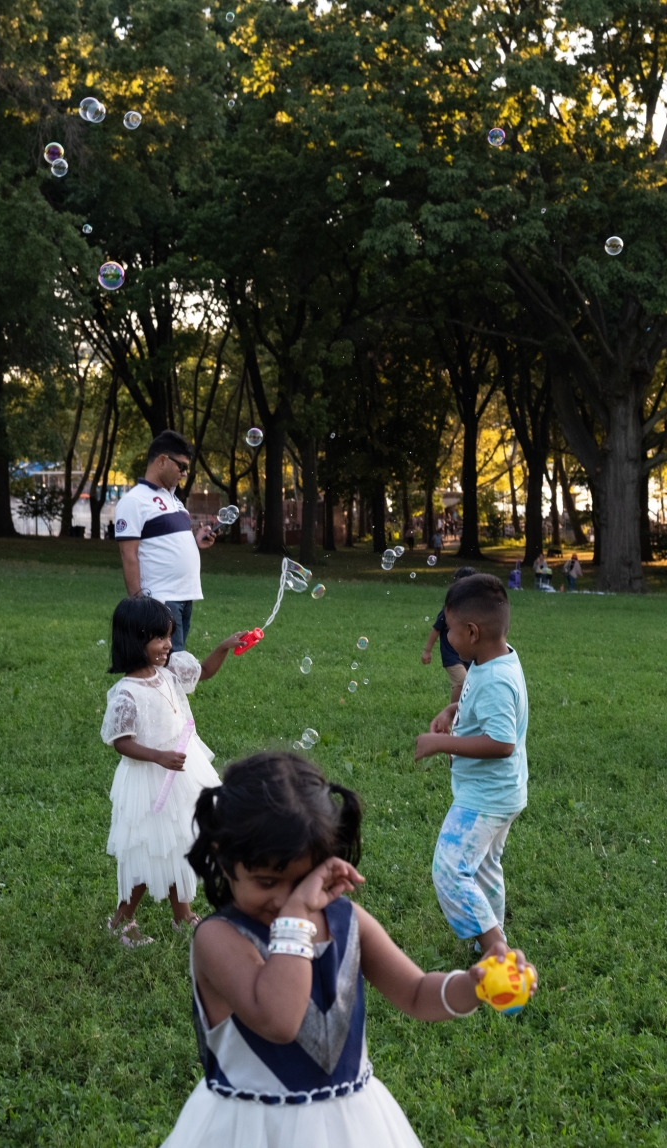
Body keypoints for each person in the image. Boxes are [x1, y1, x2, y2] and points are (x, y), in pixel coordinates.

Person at [164, 753, 535, 1145]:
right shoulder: (218, 938)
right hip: (250, 1129)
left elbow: (416, 992)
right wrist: (297, 917)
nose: (287, 898)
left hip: (353, 1126)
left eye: (303, 879)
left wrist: (472, 986)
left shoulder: (347, 920)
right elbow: (278, 1019)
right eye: (267, 882)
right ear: (223, 858)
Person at [102, 596, 242, 946]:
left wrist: (224, 647)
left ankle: (183, 914)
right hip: (150, 779)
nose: (167, 645)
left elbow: (205, 671)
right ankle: (121, 919)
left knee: (182, 840)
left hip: (183, 770)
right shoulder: (126, 693)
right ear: (135, 639)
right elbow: (121, 741)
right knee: (148, 848)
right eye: (159, 638)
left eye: (169, 636)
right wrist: (158, 756)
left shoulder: (168, 673)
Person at [413, 574, 528, 958]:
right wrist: (452, 709)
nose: (445, 637)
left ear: (472, 632)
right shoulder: (493, 658)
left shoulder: (495, 678)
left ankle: (497, 951)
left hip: (486, 798)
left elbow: (502, 742)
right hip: (500, 793)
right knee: (483, 867)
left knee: (449, 869)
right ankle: (492, 938)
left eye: (449, 630)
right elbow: (479, 704)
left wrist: (440, 743)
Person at [112, 430, 215, 653]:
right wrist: (139, 605)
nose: (185, 473)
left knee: (176, 661)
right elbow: (128, 555)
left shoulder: (174, 499)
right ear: (162, 460)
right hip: (161, 598)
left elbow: (168, 542)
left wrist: (196, 541)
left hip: (185, 595)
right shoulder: (134, 501)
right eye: (182, 466)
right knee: (170, 664)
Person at [420, 566, 479, 702]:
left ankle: (455, 715)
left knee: (459, 686)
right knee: (465, 681)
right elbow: (436, 629)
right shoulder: (449, 609)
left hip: (468, 655)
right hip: (451, 656)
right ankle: (455, 713)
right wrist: (427, 651)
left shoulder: (476, 609)